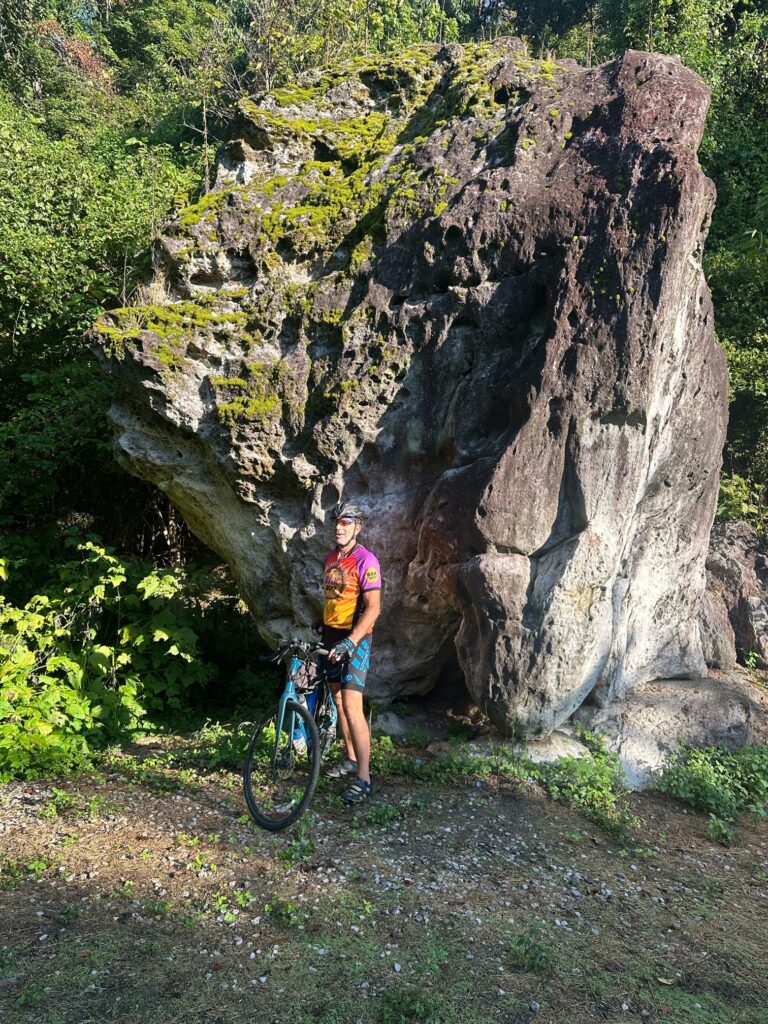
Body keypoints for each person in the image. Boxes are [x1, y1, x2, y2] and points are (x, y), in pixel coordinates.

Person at [314, 501, 381, 804]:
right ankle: (351, 759)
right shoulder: (330, 558)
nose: (339, 527)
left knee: (353, 704)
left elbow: (374, 608)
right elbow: (334, 599)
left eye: (346, 522)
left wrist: (351, 641)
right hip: (331, 635)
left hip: (357, 638)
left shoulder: (366, 560)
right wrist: (323, 622)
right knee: (338, 700)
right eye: (336, 522)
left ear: (358, 527)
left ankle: (364, 778)